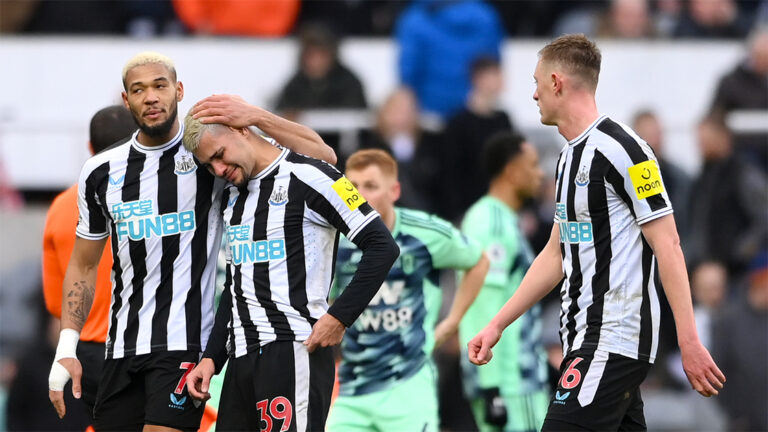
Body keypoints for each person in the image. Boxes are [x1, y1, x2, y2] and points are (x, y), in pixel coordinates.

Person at [47, 52, 336, 431]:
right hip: (120, 348)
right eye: (139, 89)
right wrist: (66, 348)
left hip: (185, 345)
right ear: (126, 100)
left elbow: (323, 157)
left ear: (179, 90)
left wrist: (258, 117)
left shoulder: (207, 155)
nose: (150, 97)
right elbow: (84, 265)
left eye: (159, 85)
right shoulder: (101, 171)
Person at [467, 34, 725, 431]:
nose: (533, 95)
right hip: (582, 338)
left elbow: (668, 244)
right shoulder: (567, 158)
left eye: (536, 83)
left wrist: (688, 341)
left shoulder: (626, 149)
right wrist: (498, 323)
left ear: (556, 83)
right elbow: (556, 255)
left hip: (613, 339)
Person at [181, 109, 399, 431]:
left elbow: (382, 246)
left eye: (220, 155)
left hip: (293, 348)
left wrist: (340, 317)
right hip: (241, 357)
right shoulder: (232, 196)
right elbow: (237, 283)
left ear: (241, 130)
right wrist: (213, 358)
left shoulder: (312, 176)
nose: (219, 169)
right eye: (209, 165)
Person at [326, 149, 489, 431]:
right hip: (351, 388)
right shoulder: (334, 237)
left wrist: (452, 322)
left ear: (395, 191)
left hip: (408, 385)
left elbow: (479, 261)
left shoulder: (424, 232)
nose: (360, 196)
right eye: (352, 188)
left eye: (371, 186)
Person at [42, 105, 136, 419]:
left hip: (92, 352)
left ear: (89, 147)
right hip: (152, 343)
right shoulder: (159, 196)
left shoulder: (61, 206)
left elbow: (57, 303)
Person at [459, 132, 550, 432]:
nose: (540, 174)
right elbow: (484, 301)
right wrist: (492, 387)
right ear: (512, 171)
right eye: (533, 165)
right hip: (511, 380)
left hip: (512, 377)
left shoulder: (502, 218)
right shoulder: (493, 223)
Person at [442, 57, 515, 221]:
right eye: (495, 75)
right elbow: (451, 174)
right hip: (469, 211)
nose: (501, 80)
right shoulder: (457, 124)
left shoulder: (503, 120)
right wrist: (457, 214)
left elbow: (514, 163)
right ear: (479, 79)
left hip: (502, 209)